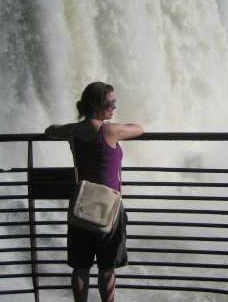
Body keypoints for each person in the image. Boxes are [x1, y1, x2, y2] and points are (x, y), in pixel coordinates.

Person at [45, 82, 143, 302]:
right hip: (109, 208)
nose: (114, 107)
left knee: (80, 268)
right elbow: (139, 128)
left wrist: (71, 125)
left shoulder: (74, 130)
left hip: (81, 205)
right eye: (111, 103)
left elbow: (50, 130)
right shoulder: (109, 130)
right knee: (107, 269)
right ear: (97, 104)